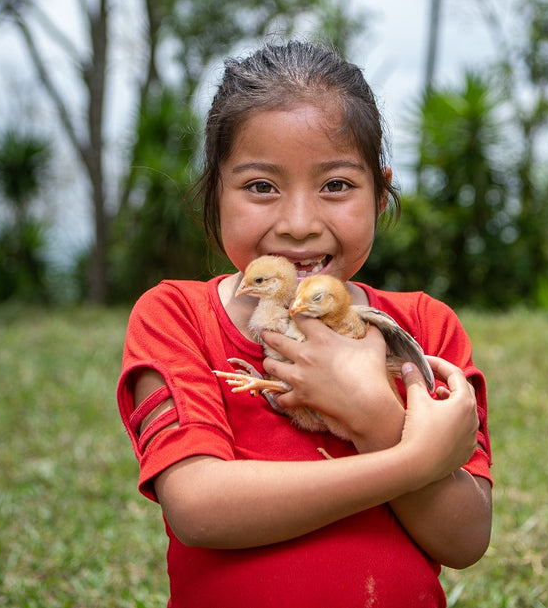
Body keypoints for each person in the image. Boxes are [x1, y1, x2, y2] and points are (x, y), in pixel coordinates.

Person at [117, 41, 492, 607]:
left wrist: (373, 414)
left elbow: (465, 537)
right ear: (216, 192)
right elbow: (197, 507)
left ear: (380, 190)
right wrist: (411, 459)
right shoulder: (178, 317)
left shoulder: (422, 329)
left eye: (336, 185)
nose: (297, 224)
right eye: (261, 186)